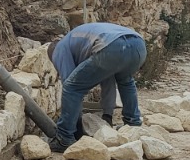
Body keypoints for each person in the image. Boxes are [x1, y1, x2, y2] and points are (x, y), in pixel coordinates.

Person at [48, 22, 147, 151]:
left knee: (71, 87)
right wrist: (107, 115)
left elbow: (71, 86)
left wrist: (76, 123)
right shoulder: (78, 43)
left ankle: (64, 138)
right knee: (125, 81)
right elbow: (108, 80)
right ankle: (133, 125)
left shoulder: (59, 48)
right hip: (138, 45)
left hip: (112, 46)